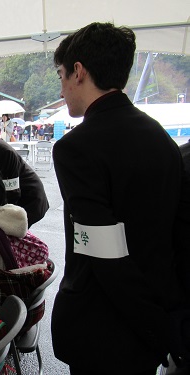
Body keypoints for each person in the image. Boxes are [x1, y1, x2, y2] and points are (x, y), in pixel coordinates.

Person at [51, 22, 185, 375]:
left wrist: (154, 327)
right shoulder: (161, 139)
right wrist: (163, 329)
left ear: (79, 72)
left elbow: (102, 252)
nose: (62, 88)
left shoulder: (77, 147)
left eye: (61, 75)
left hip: (103, 328)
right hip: (154, 319)